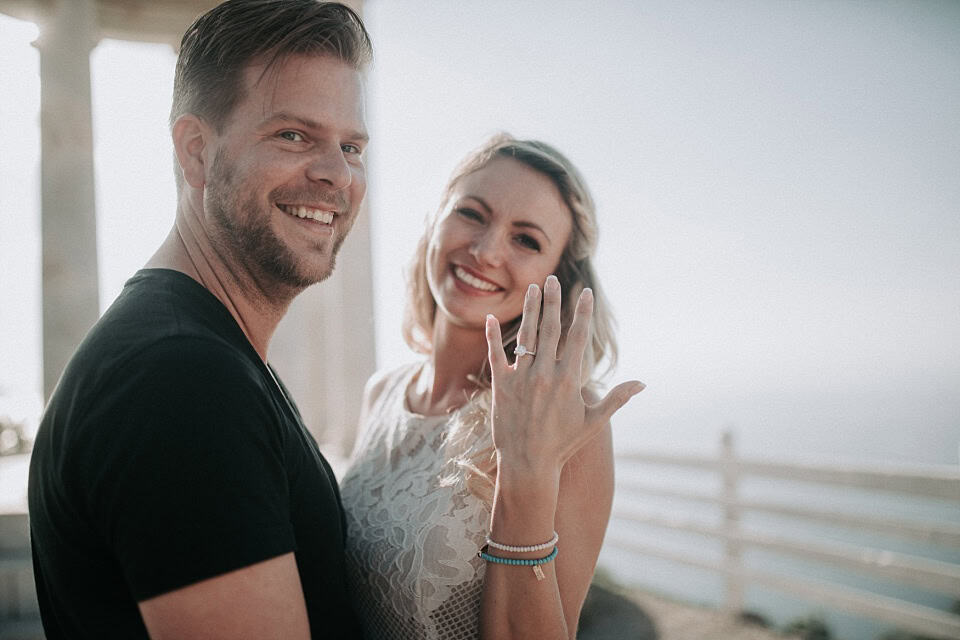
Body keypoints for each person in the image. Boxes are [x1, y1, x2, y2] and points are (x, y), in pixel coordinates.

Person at [28, 1, 371, 638]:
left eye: (350, 146)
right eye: (293, 135)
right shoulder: (179, 381)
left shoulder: (201, 352)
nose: (336, 174)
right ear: (195, 154)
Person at [340, 134, 645, 639]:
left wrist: (526, 471)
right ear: (435, 219)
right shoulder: (382, 392)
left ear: (556, 278)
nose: (485, 252)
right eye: (472, 214)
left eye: (526, 240)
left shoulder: (569, 417)